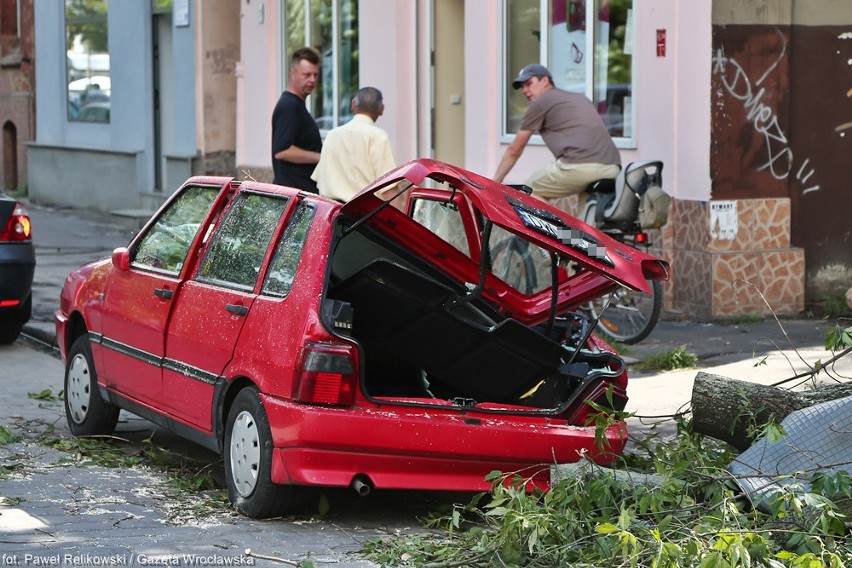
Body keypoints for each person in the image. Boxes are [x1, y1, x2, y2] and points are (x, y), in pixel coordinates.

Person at [493, 64, 621, 203]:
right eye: (522, 87)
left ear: (545, 81)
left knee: (526, 192)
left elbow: (514, 150)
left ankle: (554, 225)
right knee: (585, 218)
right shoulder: (580, 98)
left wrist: (494, 185)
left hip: (578, 167)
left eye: (529, 84)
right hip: (613, 168)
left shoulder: (540, 103)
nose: (525, 90)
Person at [311, 87, 397, 203]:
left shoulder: (332, 135)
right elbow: (389, 188)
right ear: (381, 109)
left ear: (353, 104)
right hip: (365, 215)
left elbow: (320, 179)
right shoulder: (378, 137)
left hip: (330, 213)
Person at [271, 47, 323, 192]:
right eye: (306, 74)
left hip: (299, 194)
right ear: (292, 73)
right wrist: (323, 157)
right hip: (295, 196)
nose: (312, 80)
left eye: (315, 75)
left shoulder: (295, 105)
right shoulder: (289, 106)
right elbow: (282, 151)